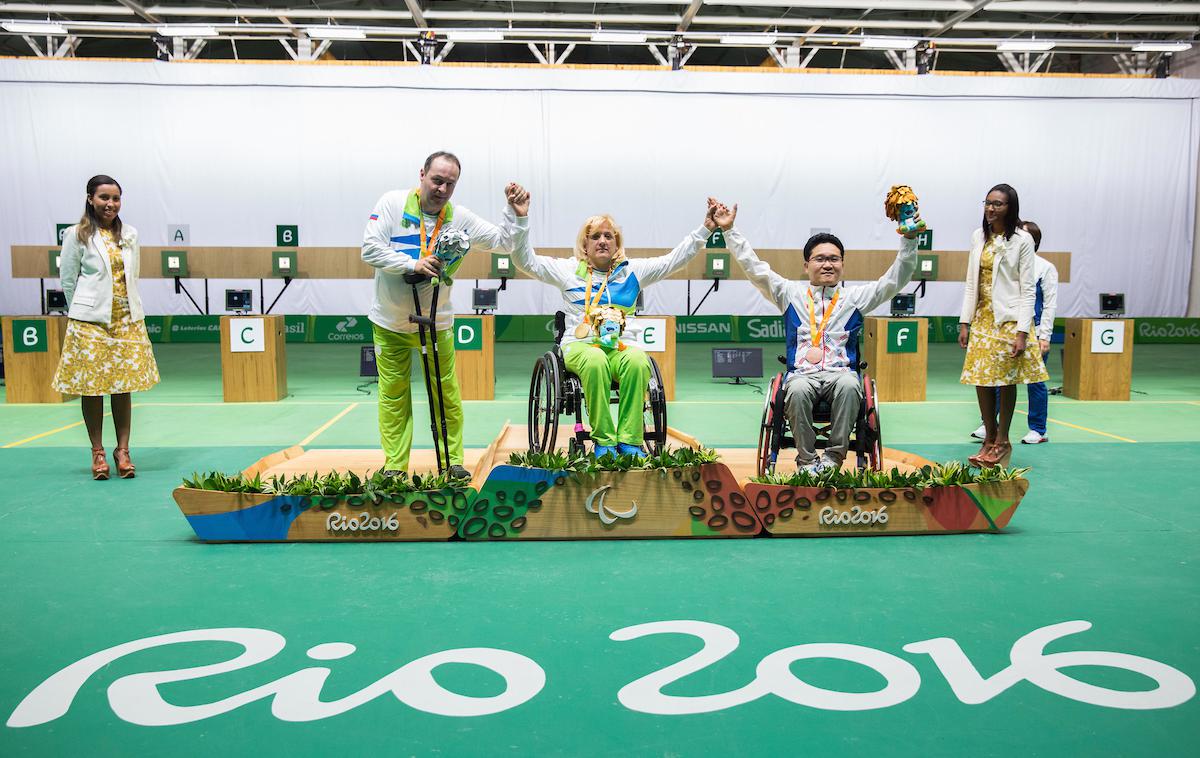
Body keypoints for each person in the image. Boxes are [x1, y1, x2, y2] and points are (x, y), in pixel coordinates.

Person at [506, 187, 715, 458]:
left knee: (639, 362)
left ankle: (629, 441)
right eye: (595, 236)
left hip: (620, 348)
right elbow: (525, 260)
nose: (602, 241)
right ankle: (604, 441)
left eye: (609, 236)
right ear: (585, 245)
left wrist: (706, 229)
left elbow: (675, 259)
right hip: (580, 347)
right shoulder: (568, 271)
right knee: (595, 360)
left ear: (617, 244)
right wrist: (521, 220)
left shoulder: (633, 272)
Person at [714, 198, 919, 472]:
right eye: (820, 259)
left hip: (841, 374)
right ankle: (807, 461)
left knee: (849, 386)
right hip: (802, 374)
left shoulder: (855, 298)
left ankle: (834, 459)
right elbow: (754, 267)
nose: (827, 264)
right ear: (806, 265)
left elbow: (897, 278)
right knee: (795, 390)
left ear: (842, 264)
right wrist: (730, 231)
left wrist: (910, 239)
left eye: (834, 259)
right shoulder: (789, 293)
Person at [361, 151, 521, 479]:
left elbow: (504, 243)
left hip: (437, 323)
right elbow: (369, 249)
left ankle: (452, 463)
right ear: (421, 175)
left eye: (450, 183)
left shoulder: (458, 217)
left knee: (445, 393)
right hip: (389, 321)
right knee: (393, 395)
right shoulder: (391, 204)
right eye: (437, 180)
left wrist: (514, 212)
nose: (442, 188)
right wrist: (412, 263)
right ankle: (394, 466)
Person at [52, 174, 160, 480]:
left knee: (123, 388)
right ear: (90, 199)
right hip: (90, 323)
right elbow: (69, 280)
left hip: (126, 320)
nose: (110, 204)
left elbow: (133, 275)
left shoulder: (130, 234)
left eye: (115, 198)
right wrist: (86, 310)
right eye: (104, 198)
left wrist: (127, 309)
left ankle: (123, 451)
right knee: (93, 388)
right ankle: (98, 452)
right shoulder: (76, 234)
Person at [959, 185, 1050, 467]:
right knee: (981, 379)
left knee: (1005, 380)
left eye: (998, 204)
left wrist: (1023, 331)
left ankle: (1003, 442)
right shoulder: (978, 236)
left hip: (1009, 320)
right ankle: (989, 438)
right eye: (988, 203)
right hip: (982, 317)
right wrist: (965, 322)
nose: (991, 208)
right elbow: (972, 282)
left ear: (1010, 208)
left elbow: (1027, 289)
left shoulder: (1022, 240)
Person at [970, 220, 1058, 444]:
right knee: (998, 378)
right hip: (1006, 329)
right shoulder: (1004, 263)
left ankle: (1038, 429)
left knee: (1035, 383)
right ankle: (989, 424)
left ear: (1033, 242)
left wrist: (1044, 335)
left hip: (1032, 332)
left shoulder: (1045, 268)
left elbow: (1048, 304)